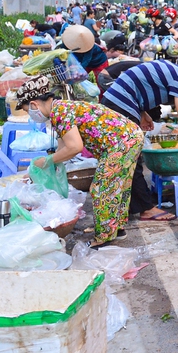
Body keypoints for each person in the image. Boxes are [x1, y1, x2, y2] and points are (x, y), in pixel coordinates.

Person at [17, 75, 145, 246]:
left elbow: (74, 147)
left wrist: (46, 162)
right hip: (128, 137)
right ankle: (116, 229)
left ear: (34, 104)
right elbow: (63, 149)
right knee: (118, 185)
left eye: (27, 111)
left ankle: (105, 238)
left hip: (122, 141)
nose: (31, 115)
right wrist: (33, 171)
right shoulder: (60, 109)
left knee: (101, 188)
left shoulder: (60, 112)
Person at [102, 56, 178, 222]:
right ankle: (146, 208)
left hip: (117, 101)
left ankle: (124, 207)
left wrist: (143, 113)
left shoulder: (172, 68)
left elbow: (136, 83)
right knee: (131, 159)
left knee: (123, 159)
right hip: (120, 104)